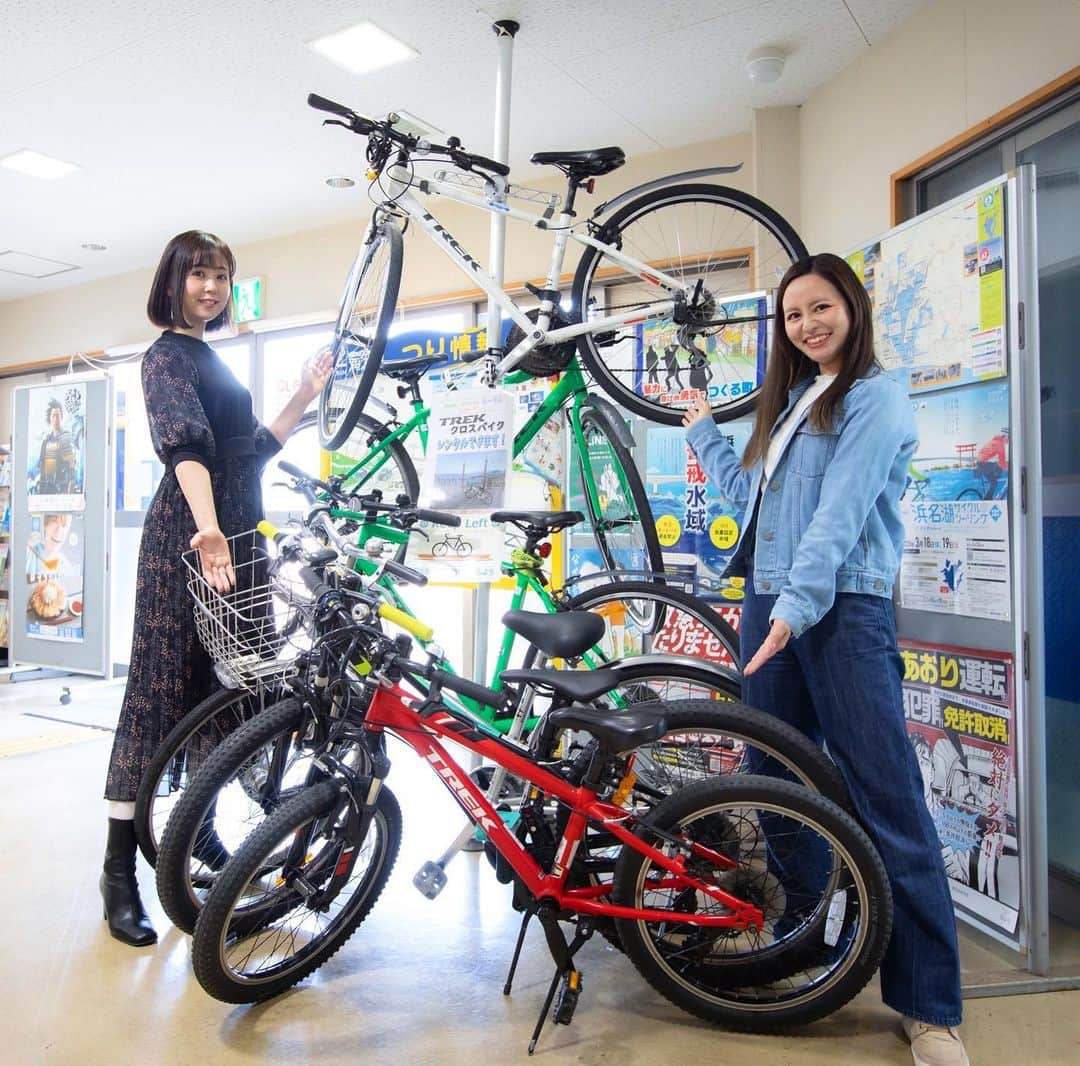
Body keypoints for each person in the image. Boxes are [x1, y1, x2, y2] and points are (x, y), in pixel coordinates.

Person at [683, 253, 968, 1066]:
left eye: (821, 307)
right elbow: (750, 515)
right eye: (793, 314)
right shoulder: (790, 403)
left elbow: (839, 515)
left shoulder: (877, 399)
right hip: (771, 604)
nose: (807, 324)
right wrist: (704, 431)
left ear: (853, 305)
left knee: (888, 802)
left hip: (842, 609)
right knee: (774, 785)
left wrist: (796, 611)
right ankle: (804, 941)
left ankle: (929, 1005)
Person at [100, 231, 331, 947]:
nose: (212, 288)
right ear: (173, 279)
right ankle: (118, 875)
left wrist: (302, 395)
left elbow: (250, 451)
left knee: (224, 694)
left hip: (237, 543)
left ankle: (195, 837)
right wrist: (205, 533)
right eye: (200, 274)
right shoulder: (166, 356)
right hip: (194, 542)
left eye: (223, 276)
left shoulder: (209, 357)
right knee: (160, 696)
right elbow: (186, 449)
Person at [36, 398, 78, 495]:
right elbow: (42, 466)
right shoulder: (46, 441)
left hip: (61, 489)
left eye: (58, 415)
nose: (56, 419)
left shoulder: (66, 438)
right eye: (53, 416)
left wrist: (71, 482)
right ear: (50, 418)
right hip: (46, 488)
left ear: (62, 417)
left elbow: (71, 463)